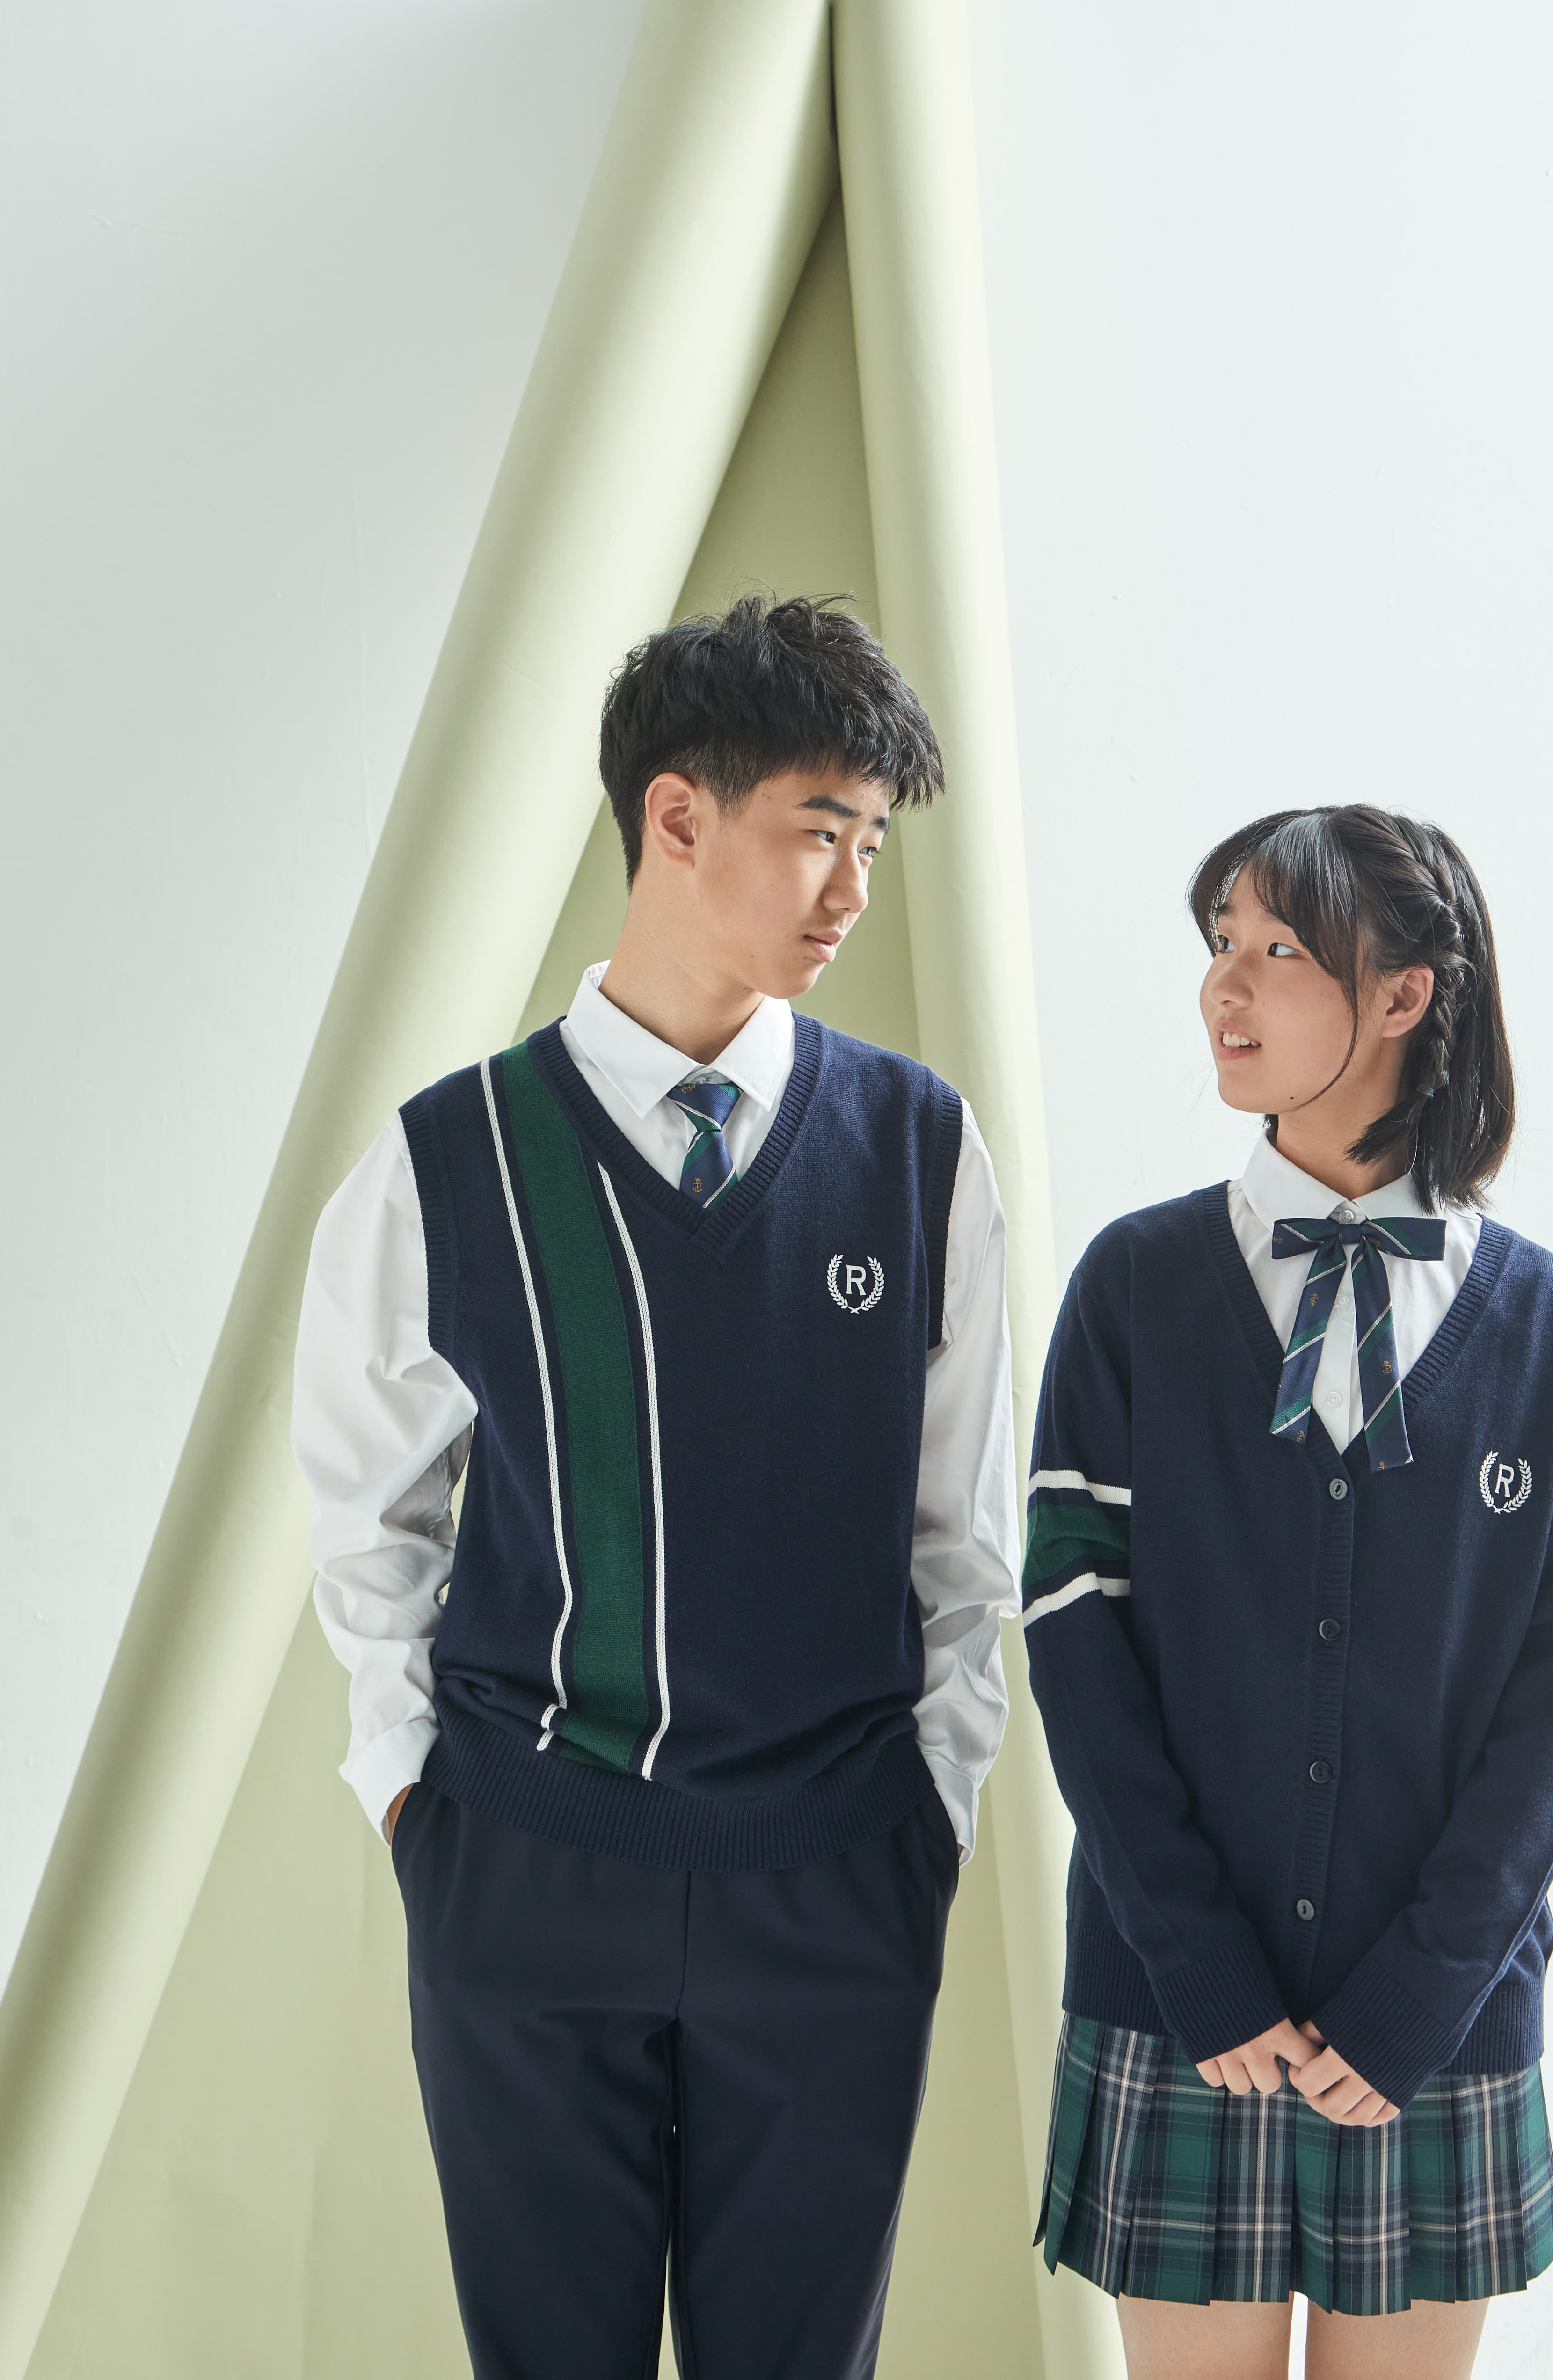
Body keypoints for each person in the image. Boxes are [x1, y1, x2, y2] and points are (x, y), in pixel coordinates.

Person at [293, 594, 1021, 2380]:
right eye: (817, 831)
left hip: (837, 1874)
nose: (853, 887)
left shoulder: (920, 1151)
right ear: (677, 818)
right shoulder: (440, 1162)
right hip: (526, 1868)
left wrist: (931, 1806)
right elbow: (363, 1520)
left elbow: (968, 1535)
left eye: (871, 840)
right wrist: (416, 1799)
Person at [1021, 804, 1553, 2380]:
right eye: (1218, 946)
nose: (1225, 989)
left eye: (1276, 951)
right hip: (1178, 2012)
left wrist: (1423, 1996)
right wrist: (1202, 1967)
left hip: (1434, 2027)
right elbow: (1073, 1640)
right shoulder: (1134, 1293)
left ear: (1409, 992)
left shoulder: (1551, 1333)